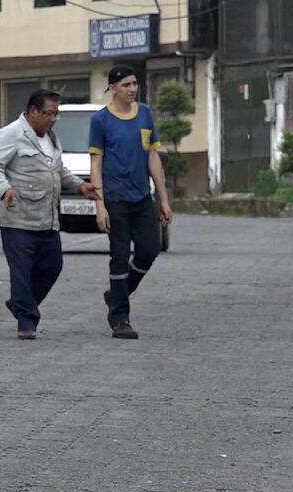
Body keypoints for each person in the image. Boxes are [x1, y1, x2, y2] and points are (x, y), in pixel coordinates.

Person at [0, 89, 99, 340]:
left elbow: (58, 169)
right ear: (33, 111)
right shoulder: (11, 134)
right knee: (22, 271)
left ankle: (21, 304)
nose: (52, 119)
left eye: (56, 115)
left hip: (47, 217)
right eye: (49, 113)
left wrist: (80, 186)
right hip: (17, 217)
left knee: (52, 265)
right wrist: (5, 189)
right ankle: (26, 321)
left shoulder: (50, 138)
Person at [90, 64, 174, 339]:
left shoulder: (145, 114)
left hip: (141, 196)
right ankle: (120, 318)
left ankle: (118, 293)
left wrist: (163, 198)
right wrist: (99, 205)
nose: (132, 89)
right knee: (119, 255)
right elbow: (96, 163)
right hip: (115, 197)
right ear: (113, 88)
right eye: (126, 85)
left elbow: (153, 157)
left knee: (150, 249)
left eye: (134, 84)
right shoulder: (101, 120)